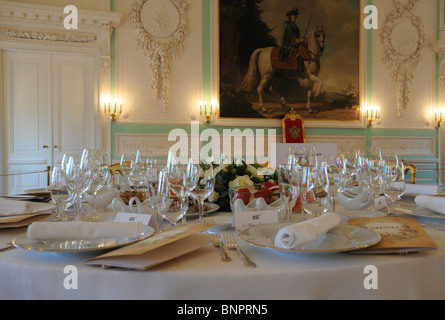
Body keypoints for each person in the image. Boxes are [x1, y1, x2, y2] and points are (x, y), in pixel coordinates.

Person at [279, 7, 307, 78]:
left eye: (295, 16)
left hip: (295, 44)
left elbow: (298, 38)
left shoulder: (297, 27)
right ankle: (301, 73)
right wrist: (300, 40)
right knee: (299, 56)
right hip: (289, 44)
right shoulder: (288, 26)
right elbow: (291, 38)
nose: (294, 17)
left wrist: (303, 41)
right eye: (293, 15)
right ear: (290, 17)